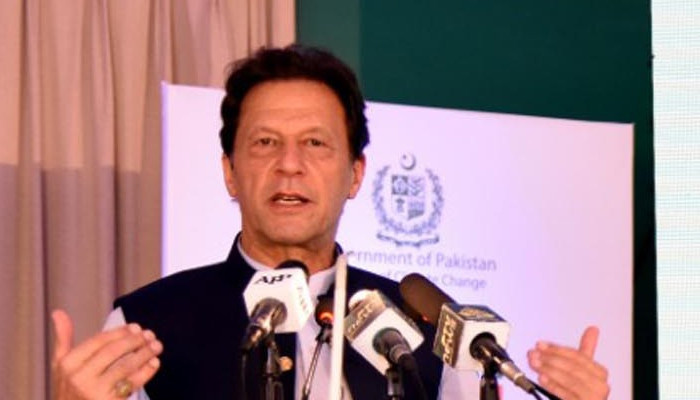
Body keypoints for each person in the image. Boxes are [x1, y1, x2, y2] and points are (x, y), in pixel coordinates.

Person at [51, 44, 610, 400]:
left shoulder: (431, 333)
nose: (289, 165)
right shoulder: (146, 325)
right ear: (229, 173)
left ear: (355, 174)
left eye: (316, 144)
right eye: (265, 143)